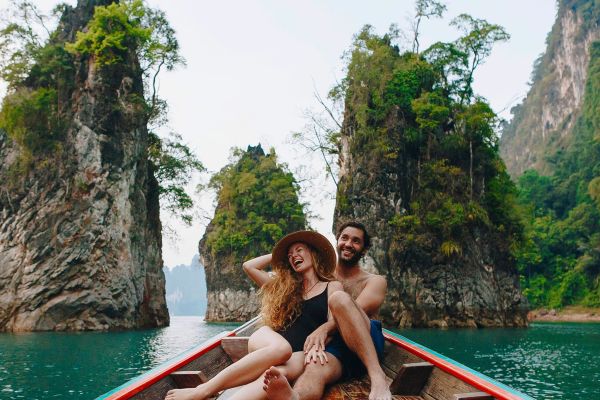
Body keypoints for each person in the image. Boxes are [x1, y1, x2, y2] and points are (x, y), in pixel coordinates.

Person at [164, 230, 344, 400]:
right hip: (268, 340)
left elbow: (334, 322)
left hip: (301, 352)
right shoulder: (284, 288)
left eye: (299, 250)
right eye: (289, 255)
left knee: (275, 376)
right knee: (281, 349)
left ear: (313, 253)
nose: (294, 256)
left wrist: (320, 339)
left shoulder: (331, 286)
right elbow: (249, 266)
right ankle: (201, 391)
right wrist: (278, 256)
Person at [263, 221, 392, 400]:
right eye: (344, 238)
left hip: (364, 340)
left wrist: (322, 329)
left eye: (356, 241)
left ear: (364, 249)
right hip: (335, 346)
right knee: (314, 366)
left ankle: (378, 377)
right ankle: (295, 397)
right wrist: (284, 254)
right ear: (337, 241)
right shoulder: (321, 276)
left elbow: (350, 312)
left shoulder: (375, 281)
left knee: (339, 299)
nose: (348, 244)